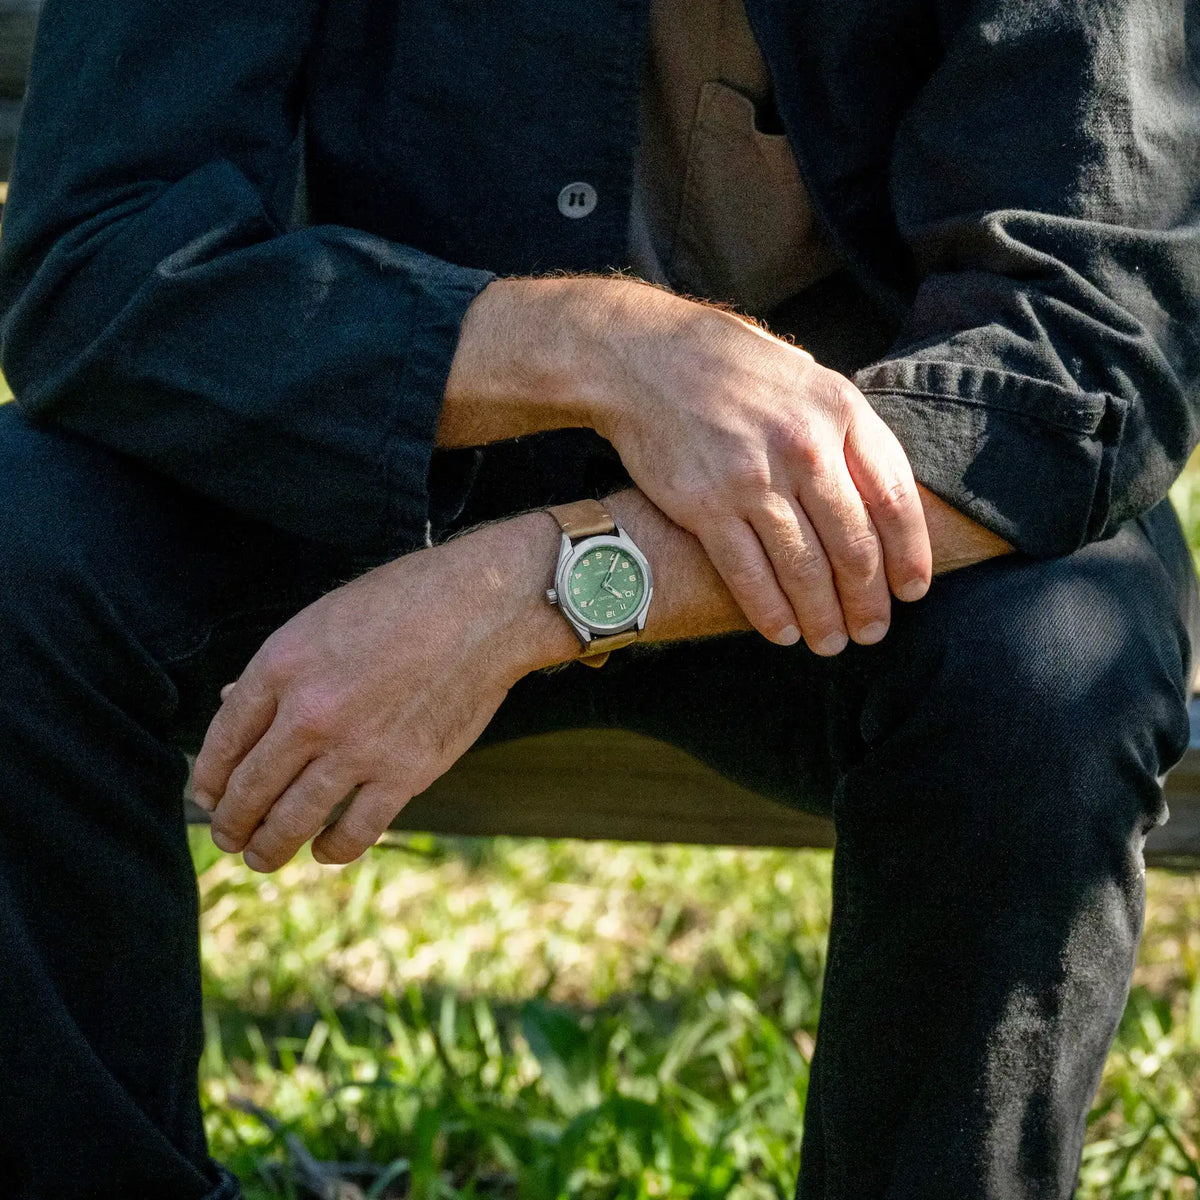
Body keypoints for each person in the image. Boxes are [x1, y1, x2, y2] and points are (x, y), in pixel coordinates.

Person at [0, 0, 1197, 1195]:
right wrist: (601, 347)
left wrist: (530, 589)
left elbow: (1087, 350)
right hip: (357, 469)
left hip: (838, 531)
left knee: (1054, 674)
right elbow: (98, 255)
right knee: (22, 539)